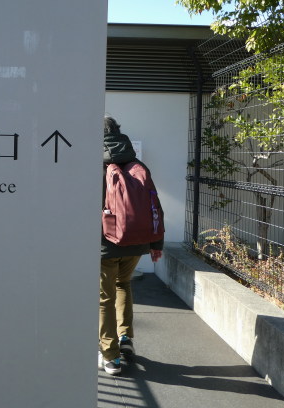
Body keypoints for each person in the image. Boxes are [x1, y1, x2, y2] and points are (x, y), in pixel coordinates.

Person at [98, 116, 163, 375]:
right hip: (137, 242)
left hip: (106, 243)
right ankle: (125, 338)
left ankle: (110, 355)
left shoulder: (96, 164)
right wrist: (156, 243)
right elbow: (155, 205)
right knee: (123, 284)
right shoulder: (137, 164)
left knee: (104, 298)